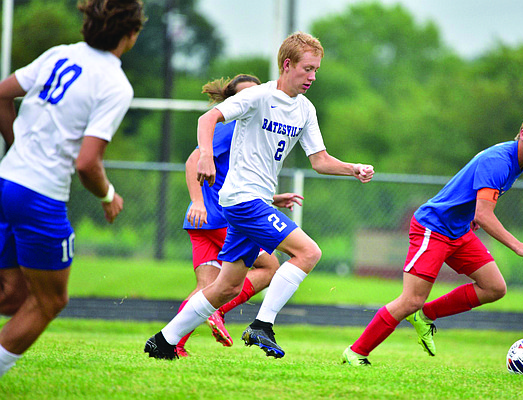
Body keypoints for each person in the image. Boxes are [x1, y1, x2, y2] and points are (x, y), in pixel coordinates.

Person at [144, 31, 374, 360]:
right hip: (241, 199)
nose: (312, 76)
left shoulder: (306, 110)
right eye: (307, 69)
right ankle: (261, 325)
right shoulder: (259, 96)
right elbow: (208, 117)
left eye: (316, 71)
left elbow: (320, 160)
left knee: (227, 287)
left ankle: (164, 341)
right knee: (308, 252)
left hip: (256, 201)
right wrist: (206, 155)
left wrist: (353, 168)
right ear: (287, 64)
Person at [341, 110, 523, 366]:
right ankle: (356, 352)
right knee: (411, 300)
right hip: (433, 228)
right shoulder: (500, 160)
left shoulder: (517, 161)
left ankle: (425, 316)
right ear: (522, 134)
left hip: (458, 229)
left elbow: (477, 201)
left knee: (494, 288)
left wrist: (471, 214)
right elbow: (485, 214)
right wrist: (517, 245)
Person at [0, 0, 145, 378]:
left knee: (12, 294)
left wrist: (18, 147)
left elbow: (1, 94)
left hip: (5, 182)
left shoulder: (58, 55)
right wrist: (108, 196)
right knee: (50, 301)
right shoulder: (115, 84)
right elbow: (87, 163)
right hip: (38, 198)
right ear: (131, 34)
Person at [175, 74, 303, 356]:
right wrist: (198, 200)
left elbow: (236, 177)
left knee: (206, 288)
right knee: (270, 267)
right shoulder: (233, 127)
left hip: (202, 222)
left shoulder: (250, 130)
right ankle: (219, 312)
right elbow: (193, 160)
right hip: (220, 217)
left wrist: (272, 198)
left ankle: (175, 345)